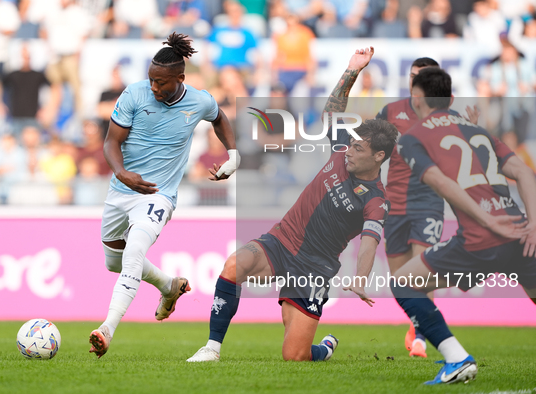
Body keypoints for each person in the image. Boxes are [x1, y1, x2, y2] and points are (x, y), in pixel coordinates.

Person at [187, 47, 399, 363]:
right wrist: (352, 70)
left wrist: (361, 276)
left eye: (359, 149)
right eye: (352, 145)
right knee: (234, 265)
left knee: (295, 356)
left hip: (314, 266)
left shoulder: (376, 200)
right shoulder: (342, 150)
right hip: (282, 241)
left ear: (379, 157)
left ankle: (324, 349)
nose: (350, 152)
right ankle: (211, 349)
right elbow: (333, 109)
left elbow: (370, 241)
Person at [88, 32, 240, 359]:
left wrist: (233, 154)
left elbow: (219, 117)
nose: (154, 88)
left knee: (134, 251)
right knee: (114, 262)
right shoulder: (134, 95)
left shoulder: (198, 100)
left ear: (180, 78)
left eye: (161, 83)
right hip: (122, 190)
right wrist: (121, 172)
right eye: (151, 81)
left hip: (159, 195)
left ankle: (107, 329)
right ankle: (169, 286)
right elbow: (111, 142)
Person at [391, 67, 536, 384]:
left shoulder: (413, 137)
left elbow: (440, 182)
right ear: (451, 98)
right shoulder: (477, 129)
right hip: (522, 234)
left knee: (402, 283)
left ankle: (456, 358)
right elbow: (526, 174)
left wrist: (486, 220)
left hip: (480, 239)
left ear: (416, 98)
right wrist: (533, 226)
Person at [376, 57, 446, 358]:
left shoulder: (442, 114)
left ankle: (420, 335)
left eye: (422, 77)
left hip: (428, 201)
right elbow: (373, 149)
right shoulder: (391, 111)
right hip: (395, 203)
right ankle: (417, 323)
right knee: (402, 278)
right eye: (412, 76)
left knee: (424, 270)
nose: (415, 82)